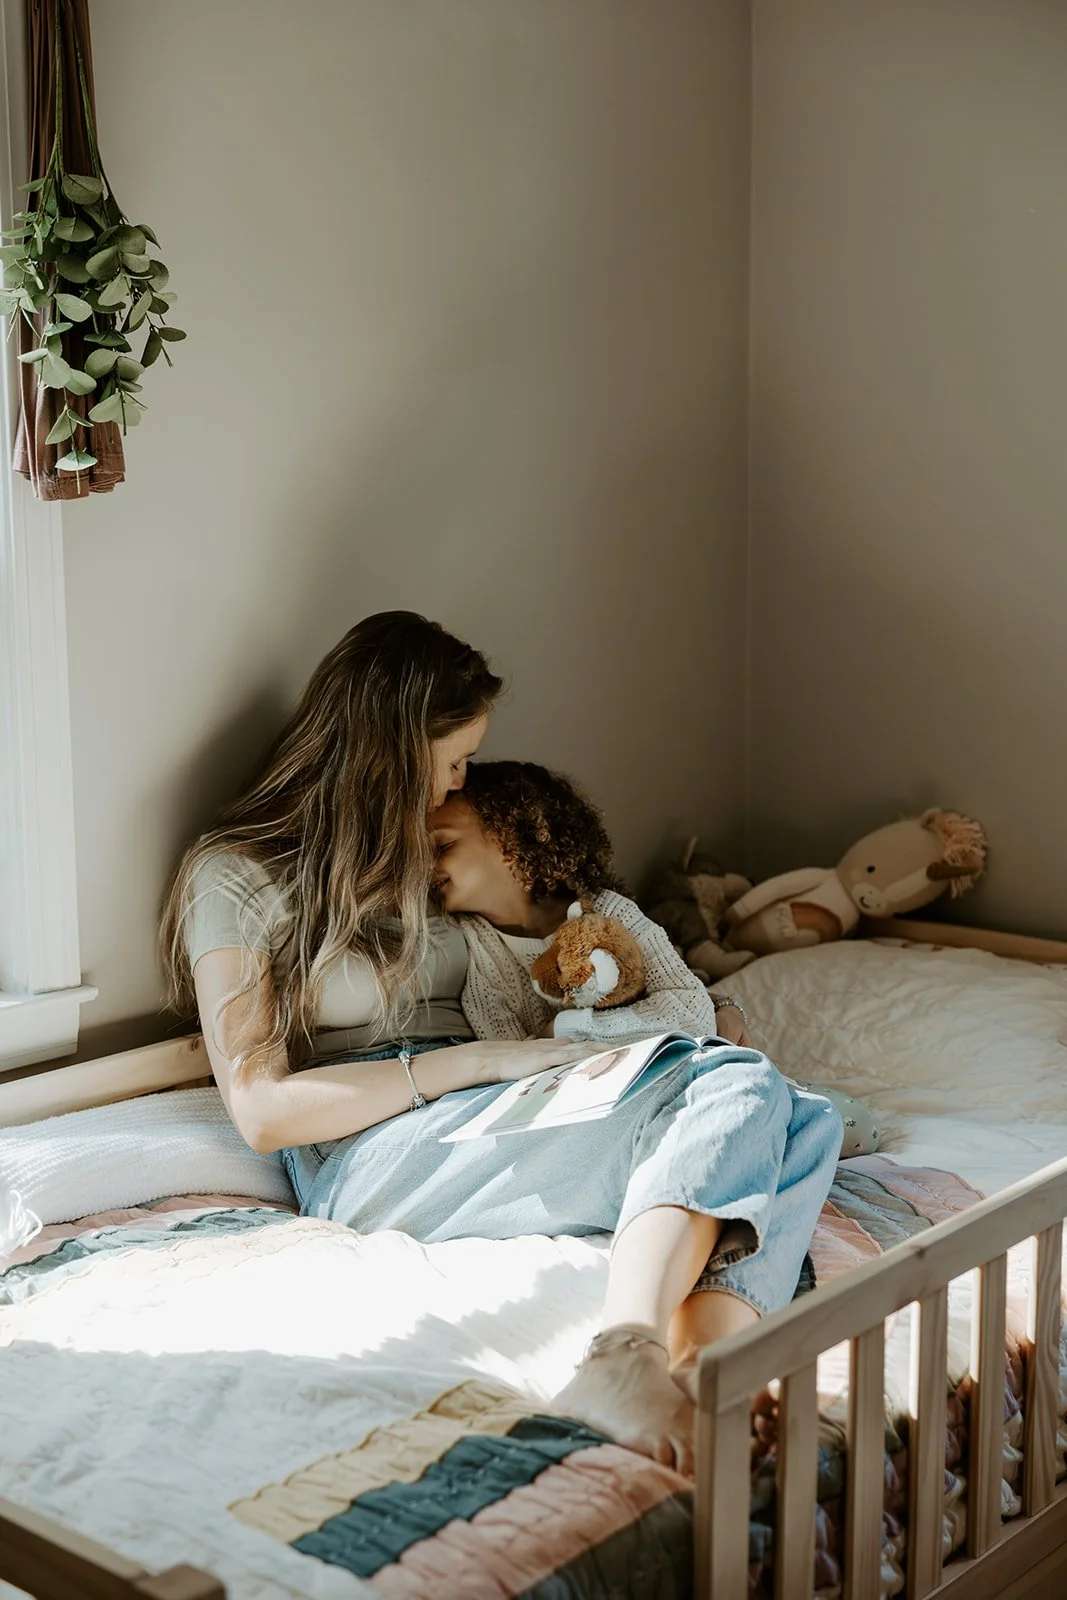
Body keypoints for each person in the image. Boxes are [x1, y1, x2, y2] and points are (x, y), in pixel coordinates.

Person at [161, 611, 841, 1475]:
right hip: (367, 1145)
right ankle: (623, 1356)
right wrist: (479, 1062)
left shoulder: (420, 860)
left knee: (797, 1113)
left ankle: (705, 1374)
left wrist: (682, 1017)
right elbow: (261, 1111)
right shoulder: (234, 875)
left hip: (486, 1109)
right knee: (747, 1096)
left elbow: (554, 958)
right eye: (452, 760)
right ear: (392, 749)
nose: (459, 782)